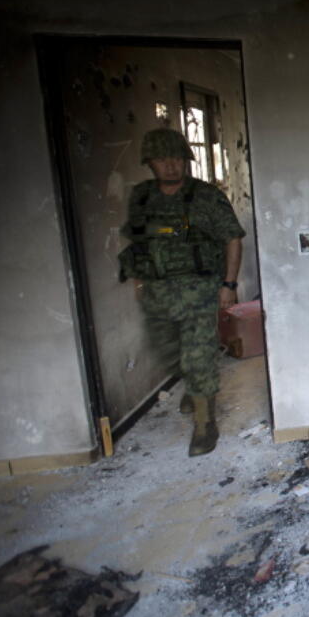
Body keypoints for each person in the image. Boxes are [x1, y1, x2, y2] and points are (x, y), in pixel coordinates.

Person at [119, 128, 245, 456]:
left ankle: (205, 424)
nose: (171, 166)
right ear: (150, 163)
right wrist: (138, 283)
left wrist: (229, 285)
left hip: (198, 290)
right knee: (168, 352)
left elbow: (233, 237)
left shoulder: (206, 196)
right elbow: (137, 241)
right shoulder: (142, 197)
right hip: (158, 292)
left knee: (198, 354)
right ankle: (192, 383)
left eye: (176, 158)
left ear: (185, 160)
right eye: (162, 159)